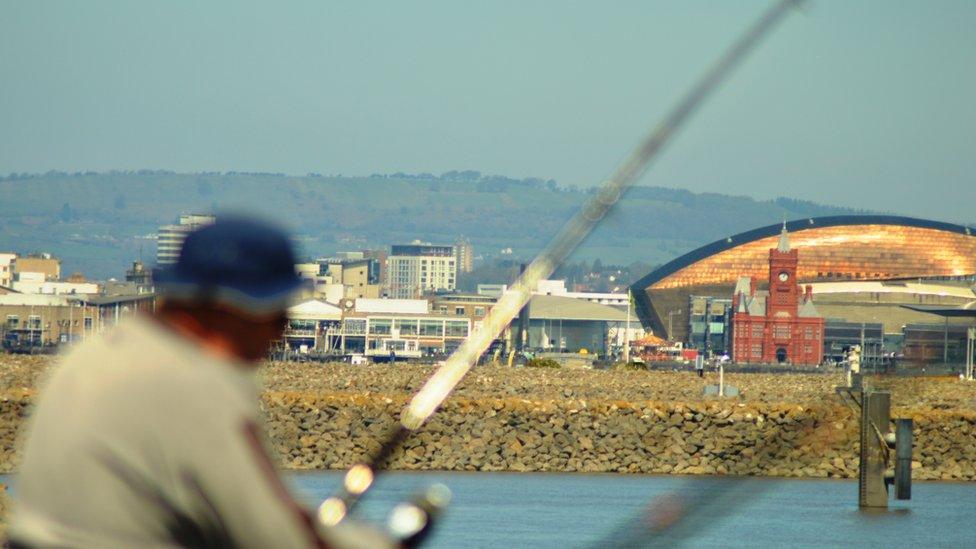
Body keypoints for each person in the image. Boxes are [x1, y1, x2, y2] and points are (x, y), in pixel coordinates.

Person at [9, 216, 390, 548]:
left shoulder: (97, 351)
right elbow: (274, 535)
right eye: (276, 314)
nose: (282, 330)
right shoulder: (193, 386)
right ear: (229, 310)